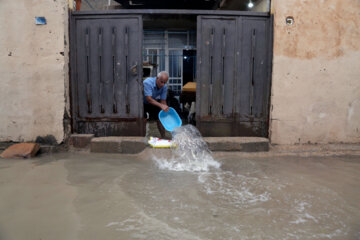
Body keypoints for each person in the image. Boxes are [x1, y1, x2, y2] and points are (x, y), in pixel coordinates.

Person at [143, 71, 170, 138]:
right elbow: (148, 99)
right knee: (143, 119)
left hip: (154, 102)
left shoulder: (164, 87)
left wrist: (165, 112)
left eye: (165, 82)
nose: (163, 84)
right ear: (157, 78)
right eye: (161, 82)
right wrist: (161, 105)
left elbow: (163, 101)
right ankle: (142, 138)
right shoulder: (148, 82)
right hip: (143, 102)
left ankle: (163, 137)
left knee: (160, 118)